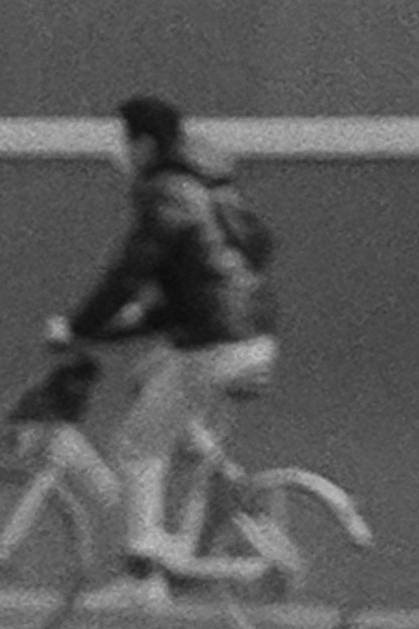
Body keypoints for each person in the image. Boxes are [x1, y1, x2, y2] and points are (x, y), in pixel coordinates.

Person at [58, 91, 276, 583]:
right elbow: (212, 277)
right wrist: (121, 327)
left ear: (146, 144)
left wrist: (80, 325)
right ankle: (212, 481)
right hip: (249, 334)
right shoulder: (212, 184)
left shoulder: (166, 192)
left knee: (135, 445)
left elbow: (130, 272)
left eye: (127, 141)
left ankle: (146, 552)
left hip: (215, 345)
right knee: (150, 374)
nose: (123, 154)